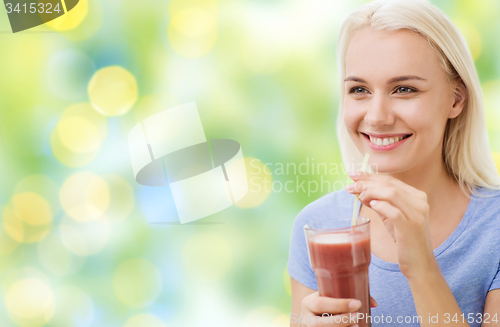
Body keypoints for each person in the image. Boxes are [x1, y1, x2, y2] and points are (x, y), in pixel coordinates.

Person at [287, 0, 500, 326]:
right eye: (359, 89)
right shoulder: (320, 226)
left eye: (404, 89)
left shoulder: (493, 228)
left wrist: (421, 267)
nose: (377, 117)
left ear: (456, 99)